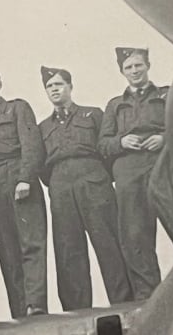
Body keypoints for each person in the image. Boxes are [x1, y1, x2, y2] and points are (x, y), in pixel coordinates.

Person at [37, 66, 132, 310]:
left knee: (109, 242)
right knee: (69, 250)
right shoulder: (43, 127)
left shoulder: (92, 114)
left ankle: (124, 302)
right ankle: (77, 310)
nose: (54, 90)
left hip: (93, 180)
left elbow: (106, 147)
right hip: (60, 187)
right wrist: (60, 180)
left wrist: (95, 175)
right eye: (50, 86)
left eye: (59, 84)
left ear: (70, 86)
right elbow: (42, 167)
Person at [0, 65, 47, 318]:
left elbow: (31, 144)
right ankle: (20, 311)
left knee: (31, 244)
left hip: (18, 175)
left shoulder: (17, 108)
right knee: (7, 250)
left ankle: (35, 304)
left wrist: (26, 178)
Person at [98, 47, 167, 300]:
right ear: (122, 72)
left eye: (138, 65)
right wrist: (121, 142)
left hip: (163, 166)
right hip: (128, 171)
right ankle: (148, 296)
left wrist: (164, 138)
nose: (134, 71)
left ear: (148, 65)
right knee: (135, 234)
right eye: (129, 67)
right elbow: (102, 144)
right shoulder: (115, 105)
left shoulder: (166, 94)